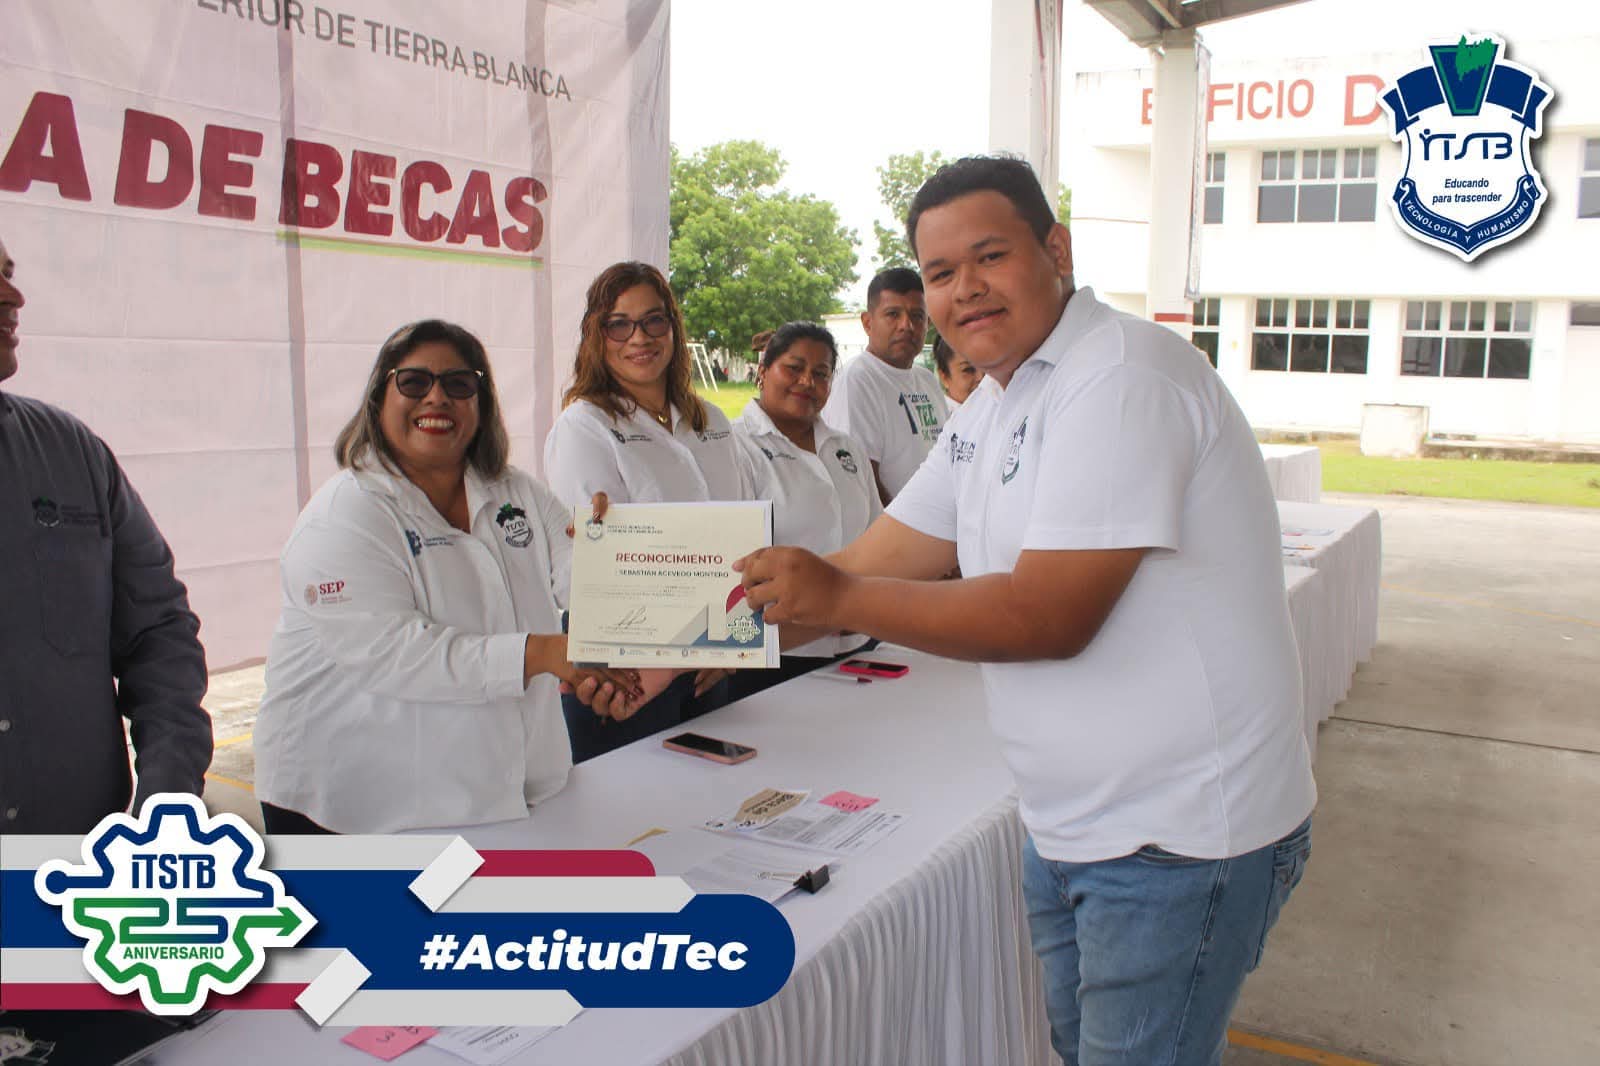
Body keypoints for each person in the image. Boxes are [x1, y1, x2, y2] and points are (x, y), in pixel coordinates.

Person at [735, 157, 1315, 1065]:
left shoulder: (1121, 375)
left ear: (1057, 249)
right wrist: (684, 639)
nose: (964, 288)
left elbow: (1045, 616)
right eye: (939, 273)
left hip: (1178, 834)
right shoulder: (999, 398)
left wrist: (836, 598)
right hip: (1072, 820)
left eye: (990, 256)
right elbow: (876, 559)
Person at [252, 319, 642, 834]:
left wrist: (612, 549)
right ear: (379, 400)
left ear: (481, 405)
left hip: (493, 792)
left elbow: (583, 578)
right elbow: (396, 655)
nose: (436, 397)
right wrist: (545, 653)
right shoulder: (343, 516)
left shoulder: (516, 493)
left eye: (459, 384)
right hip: (352, 807)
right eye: (414, 381)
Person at [0, 234, 211, 834]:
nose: (14, 297)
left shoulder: (71, 451)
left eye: (9, 273)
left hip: (77, 860)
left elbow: (159, 632)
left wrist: (167, 800)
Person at [543, 262, 743, 761]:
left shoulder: (713, 421)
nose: (640, 338)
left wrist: (729, 645)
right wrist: (696, 648)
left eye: (654, 320)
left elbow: (738, 540)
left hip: (709, 662)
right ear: (597, 335)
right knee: (625, 800)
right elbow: (597, 568)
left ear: (672, 327)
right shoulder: (585, 426)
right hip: (623, 671)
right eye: (619, 324)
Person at [728, 322, 881, 701]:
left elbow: (878, 537)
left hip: (860, 644)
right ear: (763, 370)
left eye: (821, 373)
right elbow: (733, 563)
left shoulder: (846, 448)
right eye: (794, 368)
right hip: (776, 657)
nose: (807, 382)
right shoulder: (735, 447)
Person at [819, 267, 947, 504]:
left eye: (917, 316)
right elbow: (859, 478)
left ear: (928, 323)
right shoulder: (858, 380)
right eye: (892, 314)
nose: (906, 325)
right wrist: (902, 526)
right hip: (893, 525)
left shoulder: (927, 380)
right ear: (868, 323)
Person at [932, 335, 983, 409]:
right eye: (968, 370)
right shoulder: (940, 414)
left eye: (987, 368)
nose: (981, 378)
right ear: (944, 377)